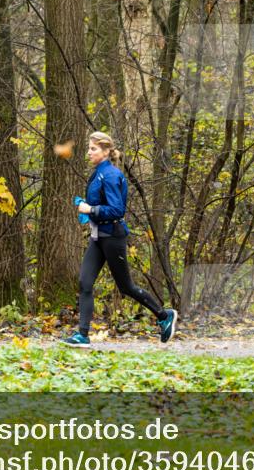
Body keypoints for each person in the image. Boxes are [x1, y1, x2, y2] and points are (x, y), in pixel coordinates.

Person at [63, 132, 178, 348]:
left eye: (93, 149)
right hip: (99, 237)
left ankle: (164, 316)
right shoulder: (98, 173)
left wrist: (91, 209)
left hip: (113, 237)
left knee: (126, 286)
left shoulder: (111, 175)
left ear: (106, 151)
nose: (89, 152)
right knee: (85, 283)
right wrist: (86, 206)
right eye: (89, 148)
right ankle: (82, 335)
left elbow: (116, 209)